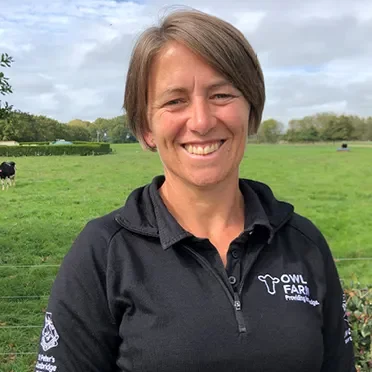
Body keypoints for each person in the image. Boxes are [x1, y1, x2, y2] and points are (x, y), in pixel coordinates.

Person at [34, 9, 356, 372]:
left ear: (250, 111)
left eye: (221, 95)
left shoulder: (304, 243)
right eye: (175, 101)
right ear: (146, 129)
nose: (201, 121)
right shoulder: (104, 253)